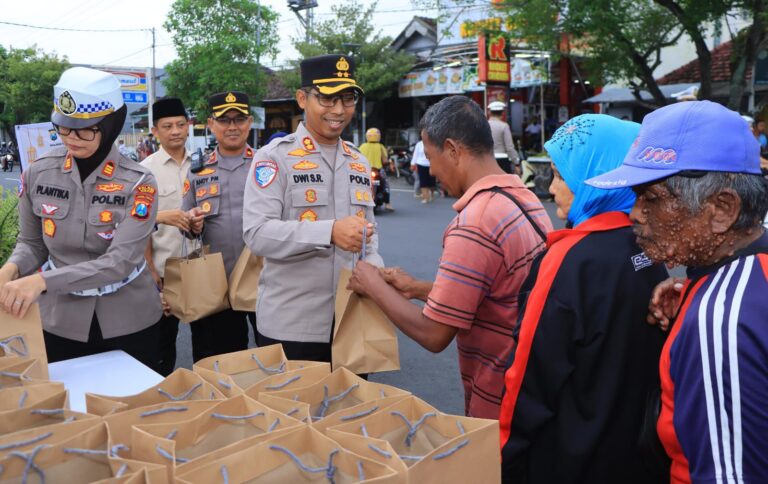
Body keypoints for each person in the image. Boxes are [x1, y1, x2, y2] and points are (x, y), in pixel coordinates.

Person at [587, 100, 768, 484]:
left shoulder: (723, 323)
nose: (635, 213)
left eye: (651, 198)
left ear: (722, 209)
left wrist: (710, 310)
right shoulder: (742, 281)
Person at [347, 95, 551, 419]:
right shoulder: (522, 198)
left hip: (500, 398)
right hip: (530, 383)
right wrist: (417, 288)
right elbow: (501, 292)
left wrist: (373, 284)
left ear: (453, 150)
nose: (432, 170)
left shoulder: (476, 221)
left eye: (430, 157)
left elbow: (434, 333)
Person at [499, 114, 669, 483]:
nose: (552, 189)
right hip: (633, 455)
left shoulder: (568, 259)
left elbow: (528, 377)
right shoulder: (649, 248)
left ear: (599, 178)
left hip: (567, 458)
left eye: (562, 176)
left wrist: (502, 457)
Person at [0, 67, 164, 372]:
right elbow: (31, 243)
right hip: (61, 321)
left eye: (85, 129)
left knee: (129, 409)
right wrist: (9, 270)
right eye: (63, 128)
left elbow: (119, 262)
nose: (71, 139)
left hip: (128, 321)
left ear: (112, 124)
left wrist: (40, 281)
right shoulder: (38, 173)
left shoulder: (139, 182)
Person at [243, 54, 381, 363]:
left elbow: (370, 235)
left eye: (348, 99)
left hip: (352, 317)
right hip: (293, 325)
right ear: (303, 99)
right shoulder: (273, 157)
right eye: (328, 99)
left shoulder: (358, 160)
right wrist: (329, 231)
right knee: (295, 411)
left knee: (352, 408)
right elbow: (257, 234)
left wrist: (377, 270)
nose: (339, 110)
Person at [181, 91, 255, 362]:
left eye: (239, 119)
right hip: (216, 283)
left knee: (275, 356)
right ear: (211, 124)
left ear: (250, 122)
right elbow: (184, 221)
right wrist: (192, 223)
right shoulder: (198, 171)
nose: (232, 127)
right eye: (224, 120)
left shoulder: (267, 165)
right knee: (221, 358)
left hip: (265, 277)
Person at [140, 97, 192, 375]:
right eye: (167, 126)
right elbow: (136, 225)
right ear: (155, 131)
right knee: (162, 351)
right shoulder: (145, 170)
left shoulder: (203, 164)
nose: (175, 131)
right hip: (164, 272)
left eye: (180, 125)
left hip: (200, 269)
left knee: (210, 345)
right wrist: (151, 274)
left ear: (189, 127)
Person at [359, 127, 394, 211]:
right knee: (386, 185)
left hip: (364, 170)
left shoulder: (362, 146)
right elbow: (385, 160)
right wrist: (389, 162)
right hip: (378, 170)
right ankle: (387, 204)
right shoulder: (380, 146)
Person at [487, 101, 520, 175]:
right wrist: (516, 163)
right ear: (502, 113)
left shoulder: (484, 126)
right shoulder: (504, 126)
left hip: (488, 160)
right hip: (503, 161)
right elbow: (509, 147)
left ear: (489, 112)